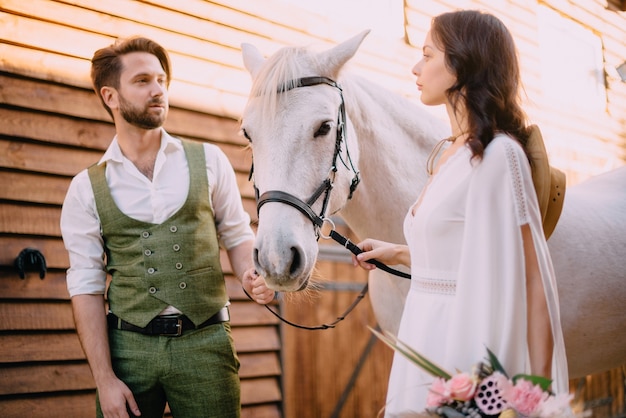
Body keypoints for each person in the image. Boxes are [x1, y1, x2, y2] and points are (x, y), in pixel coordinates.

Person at [351, 10, 569, 416]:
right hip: (421, 337)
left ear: (461, 65)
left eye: (428, 55)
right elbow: (462, 260)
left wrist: (536, 396)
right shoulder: (449, 154)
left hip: (465, 349)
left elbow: (531, 281)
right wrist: (395, 253)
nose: (416, 67)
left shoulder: (499, 155)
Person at [60, 36, 275, 418]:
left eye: (161, 80)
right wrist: (105, 379)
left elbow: (239, 235)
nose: (158, 90)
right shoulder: (86, 188)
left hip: (206, 345)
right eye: (142, 81)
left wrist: (251, 274)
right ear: (110, 96)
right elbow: (86, 287)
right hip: (128, 351)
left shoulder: (209, 160)